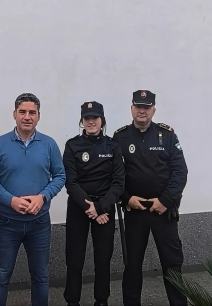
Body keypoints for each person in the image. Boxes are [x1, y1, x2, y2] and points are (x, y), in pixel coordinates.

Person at [0, 92, 66, 306]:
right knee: (1, 276)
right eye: (22, 112)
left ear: (39, 116)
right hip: (7, 223)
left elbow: (60, 176)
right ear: (14, 114)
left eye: (32, 112)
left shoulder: (49, 144)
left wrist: (43, 197)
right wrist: (10, 200)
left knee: (40, 276)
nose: (27, 116)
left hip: (39, 223)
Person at [113, 90, 188, 306]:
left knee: (172, 263)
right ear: (132, 109)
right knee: (132, 264)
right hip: (135, 211)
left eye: (146, 107)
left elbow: (180, 172)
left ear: (153, 110)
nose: (142, 111)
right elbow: (115, 174)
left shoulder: (167, 135)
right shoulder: (120, 137)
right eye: (138, 107)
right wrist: (126, 198)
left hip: (163, 210)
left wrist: (165, 201)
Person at [63, 101, 125, 306]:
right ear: (82, 121)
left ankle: (102, 300)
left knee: (103, 259)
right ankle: (72, 301)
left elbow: (118, 182)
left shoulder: (113, 146)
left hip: (104, 209)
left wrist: (100, 207)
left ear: (102, 120)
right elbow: (71, 182)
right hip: (79, 208)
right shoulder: (72, 145)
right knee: (74, 259)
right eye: (87, 118)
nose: (91, 122)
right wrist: (90, 207)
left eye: (95, 118)